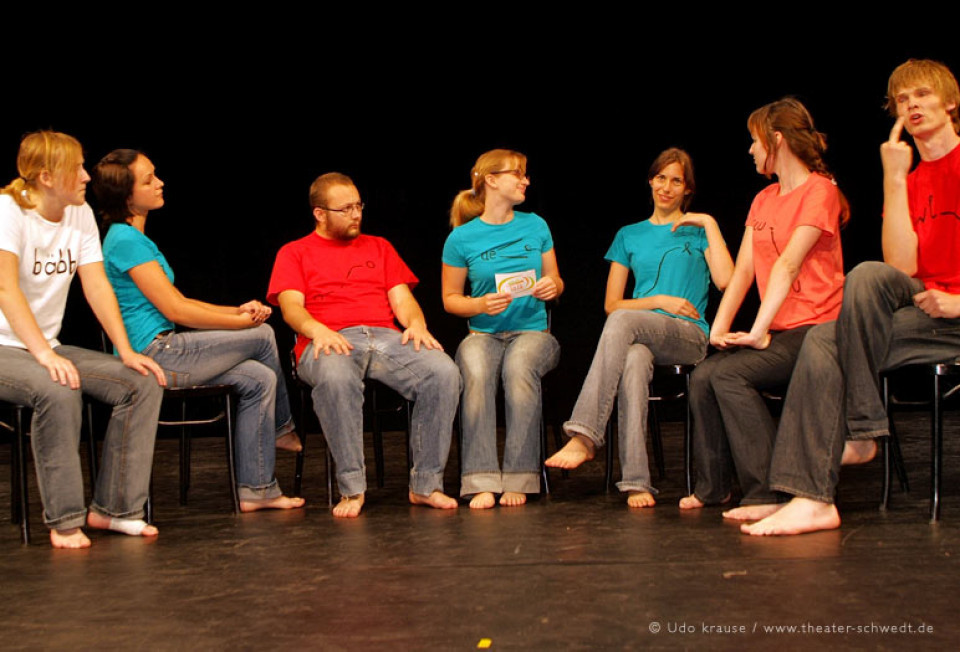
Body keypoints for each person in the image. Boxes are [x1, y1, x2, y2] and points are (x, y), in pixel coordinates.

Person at [743, 59, 960, 536]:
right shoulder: (910, 174)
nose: (911, 105)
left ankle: (856, 437)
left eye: (922, 95)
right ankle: (814, 498)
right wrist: (896, 178)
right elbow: (902, 267)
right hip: (923, 309)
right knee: (857, 291)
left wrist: (959, 303)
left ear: (950, 102)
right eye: (902, 99)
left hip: (956, 313)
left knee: (825, 338)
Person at [93, 149, 304, 513]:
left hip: (167, 348)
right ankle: (282, 428)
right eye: (148, 180)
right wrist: (244, 323)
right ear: (127, 196)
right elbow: (177, 311)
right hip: (153, 355)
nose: (160, 183)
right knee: (263, 335)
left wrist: (239, 310)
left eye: (155, 175)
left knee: (258, 378)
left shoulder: (134, 238)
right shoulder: (124, 240)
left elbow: (181, 300)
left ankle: (258, 489)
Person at [679, 98, 848, 518]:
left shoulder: (820, 191)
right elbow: (742, 273)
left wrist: (756, 331)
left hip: (817, 330)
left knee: (732, 377)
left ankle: (768, 493)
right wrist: (716, 330)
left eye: (754, 141)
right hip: (781, 328)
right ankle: (715, 487)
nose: (750, 151)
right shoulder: (763, 199)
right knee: (704, 375)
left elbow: (789, 264)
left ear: (776, 140)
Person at [0, 131, 166, 549]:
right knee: (58, 387)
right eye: (74, 168)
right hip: (7, 347)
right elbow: (5, 289)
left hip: (45, 346)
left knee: (141, 381)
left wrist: (126, 350)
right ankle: (65, 520)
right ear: (45, 177)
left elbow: (96, 286)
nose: (85, 177)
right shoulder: (7, 212)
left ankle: (115, 510)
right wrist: (42, 353)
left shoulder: (79, 214)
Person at [545, 148, 734, 507]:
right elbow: (611, 303)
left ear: (686, 189)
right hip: (642, 329)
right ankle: (636, 481)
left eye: (676, 180)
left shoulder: (698, 231)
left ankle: (585, 435)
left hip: (689, 335)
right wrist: (659, 300)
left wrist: (709, 223)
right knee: (631, 358)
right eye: (661, 178)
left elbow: (726, 281)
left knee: (623, 323)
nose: (666, 187)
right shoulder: (628, 235)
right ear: (650, 181)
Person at [268, 172, 460, 518]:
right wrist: (317, 330)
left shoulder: (379, 246)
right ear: (319, 213)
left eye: (359, 206)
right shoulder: (294, 252)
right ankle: (352, 488)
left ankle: (426, 484)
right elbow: (291, 307)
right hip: (327, 339)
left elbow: (401, 300)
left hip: (384, 337)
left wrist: (416, 325)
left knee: (442, 371)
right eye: (345, 209)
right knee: (337, 379)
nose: (356, 214)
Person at [442, 149, 564, 509]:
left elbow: (555, 278)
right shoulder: (461, 239)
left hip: (533, 333)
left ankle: (519, 477)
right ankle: (479, 479)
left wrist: (552, 286)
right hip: (483, 333)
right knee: (476, 371)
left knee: (518, 368)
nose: (525, 180)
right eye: (518, 174)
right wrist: (479, 304)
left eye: (525, 175)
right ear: (491, 180)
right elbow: (450, 299)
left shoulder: (536, 225)